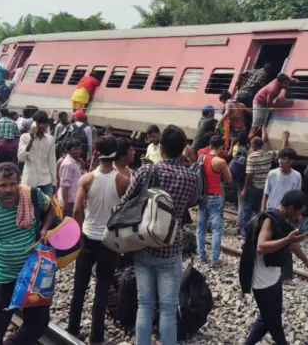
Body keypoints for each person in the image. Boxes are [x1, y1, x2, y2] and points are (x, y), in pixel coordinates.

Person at [123, 125, 196, 345]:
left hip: (143, 245)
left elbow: (126, 200)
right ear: (183, 148)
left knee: (144, 305)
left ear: (161, 148)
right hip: (171, 248)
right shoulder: (190, 178)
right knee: (167, 307)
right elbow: (189, 204)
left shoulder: (146, 171)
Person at [0, 162, 59, 345]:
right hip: (2, 273)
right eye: (3, 185)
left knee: (38, 323)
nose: (9, 190)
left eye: (13, 184)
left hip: (32, 273)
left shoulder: (31, 196)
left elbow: (51, 208)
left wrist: (45, 228)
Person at [68, 136, 130, 343]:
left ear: (96, 152)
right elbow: (125, 212)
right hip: (108, 240)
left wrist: (79, 236)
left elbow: (77, 209)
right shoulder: (123, 181)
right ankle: (96, 337)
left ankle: (72, 327)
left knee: (80, 286)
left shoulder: (86, 179)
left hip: (87, 237)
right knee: (102, 288)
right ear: (115, 154)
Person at [240, 189, 308, 345]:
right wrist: (287, 239)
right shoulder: (270, 219)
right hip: (261, 279)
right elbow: (261, 247)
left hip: (273, 276)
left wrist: (307, 261)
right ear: (290, 209)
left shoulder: (283, 219)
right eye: (298, 212)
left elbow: (291, 243)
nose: (299, 216)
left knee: (268, 317)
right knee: (273, 322)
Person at [261, 147, 301, 283]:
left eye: (284, 159)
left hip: (287, 215)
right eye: (279, 158)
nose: (280, 161)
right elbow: (266, 194)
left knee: (287, 244)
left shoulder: (296, 176)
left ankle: (286, 276)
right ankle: (268, 271)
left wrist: (297, 215)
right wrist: (263, 211)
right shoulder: (272, 174)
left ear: (291, 161)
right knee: (269, 243)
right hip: (272, 213)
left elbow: (297, 196)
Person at [241, 132, 291, 237]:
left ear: (254, 146)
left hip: (254, 186)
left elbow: (249, 175)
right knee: (261, 210)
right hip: (265, 187)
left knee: (247, 209)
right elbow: (281, 152)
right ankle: (259, 230)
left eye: (251, 144)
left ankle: (244, 232)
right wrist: (285, 140)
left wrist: (244, 189)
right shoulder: (269, 154)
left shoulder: (251, 157)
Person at [194, 135, 233, 267]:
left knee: (201, 227)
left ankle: (201, 255)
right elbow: (229, 180)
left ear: (210, 145)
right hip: (215, 197)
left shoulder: (201, 157)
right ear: (221, 147)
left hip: (202, 196)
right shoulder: (220, 161)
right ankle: (215, 259)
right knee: (216, 229)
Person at [17, 111, 57, 198]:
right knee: (30, 209)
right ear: (34, 123)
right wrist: (31, 140)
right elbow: (21, 158)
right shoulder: (25, 137)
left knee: (47, 209)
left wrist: (54, 182)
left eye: (44, 123)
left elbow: (52, 161)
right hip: (29, 181)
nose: (42, 126)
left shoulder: (50, 139)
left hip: (45, 182)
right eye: (39, 123)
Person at [249, 74, 294, 140]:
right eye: (285, 83)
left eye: (287, 82)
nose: (287, 85)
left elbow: (285, 77)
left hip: (265, 102)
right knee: (256, 125)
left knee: (264, 122)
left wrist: (293, 80)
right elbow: (269, 104)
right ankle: (248, 140)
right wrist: (284, 105)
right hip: (259, 103)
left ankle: (261, 135)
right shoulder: (272, 90)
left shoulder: (278, 80)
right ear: (279, 83)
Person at [57, 138, 84, 217]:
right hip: (70, 201)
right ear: (68, 150)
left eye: (79, 149)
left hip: (75, 198)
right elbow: (65, 185)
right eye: (75, 149)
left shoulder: (76, 161)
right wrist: (66, 204)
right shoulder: (67, 164)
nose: (78, 151)